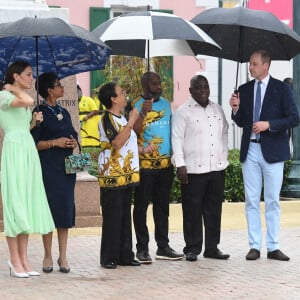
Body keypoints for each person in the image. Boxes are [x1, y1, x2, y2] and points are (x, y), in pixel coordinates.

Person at [230, 50, 299, 261]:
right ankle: (254, 246)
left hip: (273, 151)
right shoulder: (244, 89)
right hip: (250, 150)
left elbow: (294, 118)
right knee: (251, 200)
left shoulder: (282, 89)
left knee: (272, 200)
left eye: (254, 64)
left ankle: (273, 246)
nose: (250, 67)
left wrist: (269, 124)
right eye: (250, 64)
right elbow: (241, 121)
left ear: (266, 65)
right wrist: (235, 109)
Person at [0, 61, 55, 278]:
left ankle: (24, 259)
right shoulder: (5, 96)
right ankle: (14, 259)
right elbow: (28, 100)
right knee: (15, 203)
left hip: (27, 149)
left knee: (26, 200)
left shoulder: (20, 99)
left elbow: (24, 126)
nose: (32, 78)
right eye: (28, 74)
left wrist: (33, 122)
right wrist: (13, 89)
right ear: (15, 76)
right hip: (13, 149)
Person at [172, 75, 230, 262]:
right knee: (192, 210)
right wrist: (180, 164)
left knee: (214, 210)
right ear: (190, 90)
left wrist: (224, 155)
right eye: (198, 87)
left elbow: (225, 132)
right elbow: (177, 139)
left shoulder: (217, 109)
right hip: (193, 170)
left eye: (205, 87)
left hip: (216, 168)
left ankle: (212, 248)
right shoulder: (183, 111)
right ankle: (192, 248)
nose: (203, 90)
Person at [132, 72, 184, 263]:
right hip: (144, 167)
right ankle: (142, 248)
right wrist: (143, 112)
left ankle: (163, 247)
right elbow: (133, 132)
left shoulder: (167, 105)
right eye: (154, 83)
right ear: (144, 85)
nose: (159, 86)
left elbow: (173, 131)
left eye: (159, 82)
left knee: (162, 208)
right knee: (141, 208)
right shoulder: (136, 105)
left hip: (164, 166)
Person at [31, 72, 78, 273]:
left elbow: (72, 133)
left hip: (67, 168)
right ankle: (48, 255)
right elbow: (34, 143)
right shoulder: (39, 112)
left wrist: (72, 141)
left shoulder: (64, 111)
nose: (62, 87)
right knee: (49, 211)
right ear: (50, 90)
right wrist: (54, 143)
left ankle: (63, 256)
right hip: (49, 169)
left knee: (65, 210)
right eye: (59, 85)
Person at [97, 82, 140, 269]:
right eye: (121, 93)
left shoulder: (121, 118)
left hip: (126, 174)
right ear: (113, 99)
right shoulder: (107, 119)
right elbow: (116, 143)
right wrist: (132, 122)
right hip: (111, 176)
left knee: (124, 216)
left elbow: (128, 143)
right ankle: (109, 257)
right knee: (112, 217)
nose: (125, 95)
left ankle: (125, 255)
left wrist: (143, 148)